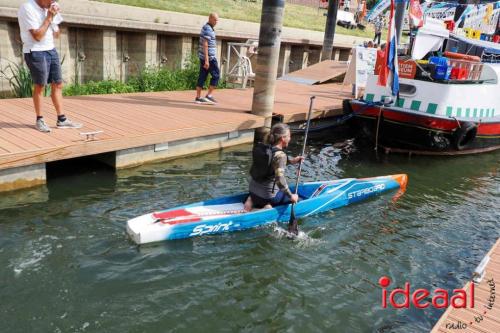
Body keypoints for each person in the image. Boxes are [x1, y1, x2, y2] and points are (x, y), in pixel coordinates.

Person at [18, 0, 81, 133]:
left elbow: (57, 35)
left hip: (51, 50)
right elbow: (37, 36)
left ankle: (62, 119)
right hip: (35, 51)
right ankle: (39, 120)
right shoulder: (27, 8)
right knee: (40, 85)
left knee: (57, 84)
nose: (54, 2)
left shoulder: (50, 8)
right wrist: (49, 17)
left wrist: (53, 20)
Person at [243, 123, 304, 211]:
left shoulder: (263, 149)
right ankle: (267, 206)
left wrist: (291, 161)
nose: (290, 139)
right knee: (299, 199)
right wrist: (291, 196)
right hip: (267, 196)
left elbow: (269, 166)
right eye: (289, 136)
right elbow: (280, 180)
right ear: (283, 138)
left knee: (264, 194)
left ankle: (251, 200)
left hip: (252, 192)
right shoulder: (280, 155)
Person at [195, 13, 220, 105]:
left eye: (217, 20)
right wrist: (206, 60)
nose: (216, 22)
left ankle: (198, 97)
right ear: (210, 19)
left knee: (203, 76)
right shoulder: (208, 29)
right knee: (216, 75)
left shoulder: (206, 27)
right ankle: (208, 96)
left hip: (205, 57)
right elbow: (205, 44)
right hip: (209, 58)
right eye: (215, 20)